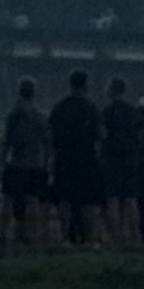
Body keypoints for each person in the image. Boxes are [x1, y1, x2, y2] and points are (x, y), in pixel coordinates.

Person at [48, 71, 101, 244]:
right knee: (87, 202)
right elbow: (99, 136)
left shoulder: (60, 107)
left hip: (63, 159)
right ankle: (88, 238)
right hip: (86, 159)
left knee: (65, 200)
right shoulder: (90, 107)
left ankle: (65, 236)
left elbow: (51, 134)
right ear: (86, 85)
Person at [0, 81, 49, 246]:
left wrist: (3, 161)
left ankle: (3, 233)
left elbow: (7, 141)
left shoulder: (14, 114)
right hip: (35, 163)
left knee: (9, 199)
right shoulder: (40, 116)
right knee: (32, 200)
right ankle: (31, 234)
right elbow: (46, 142)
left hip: (16, 162)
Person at [98, 77, 138, 243]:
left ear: (112, 90)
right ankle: (135, 236)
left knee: (113, 198)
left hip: (112, 158)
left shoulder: (107, 111)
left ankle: (116, 237)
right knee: (130, 199)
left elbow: (102, 135)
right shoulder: (132, 110)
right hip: (130, 157)